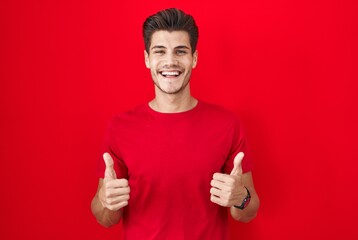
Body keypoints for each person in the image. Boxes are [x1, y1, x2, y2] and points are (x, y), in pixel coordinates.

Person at [91, 8, 260, 239]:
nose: (170, 61)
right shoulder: (120, 128)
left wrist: (241, 197)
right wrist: (104, 200)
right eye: (160, 51)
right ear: (147, 59)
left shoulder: (227, 124)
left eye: (180, 51)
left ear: (194, 58)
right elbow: (106, 218)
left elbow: (248, 212)